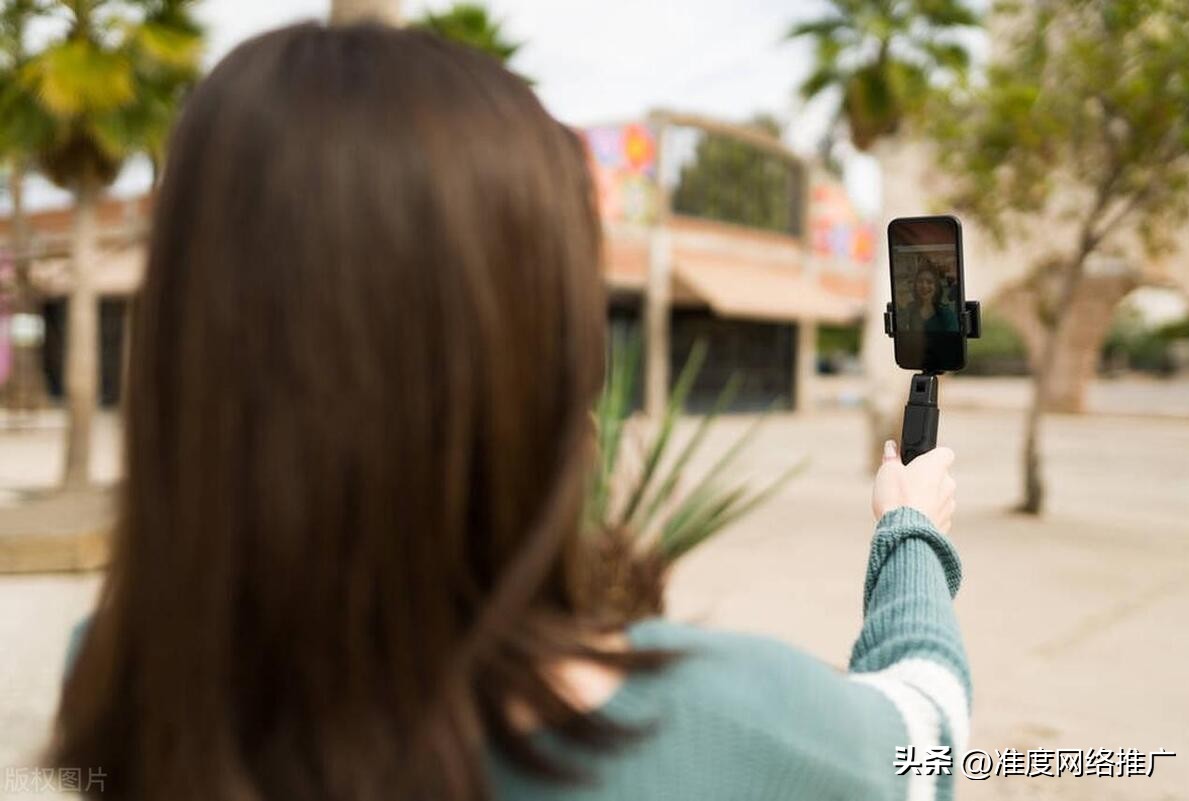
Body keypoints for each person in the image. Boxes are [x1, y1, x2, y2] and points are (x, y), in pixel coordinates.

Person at [51, 22, 969, 801]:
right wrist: (911, 531)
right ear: (549, 377)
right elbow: (925, 728)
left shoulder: (118, 696)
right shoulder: (723, 723)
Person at [900, 262, 959, 333]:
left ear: (936, 287)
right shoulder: (909, 311)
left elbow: (953, 342)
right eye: (920, 281)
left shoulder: (947, 316)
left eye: (929, 282)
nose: (924, 285)